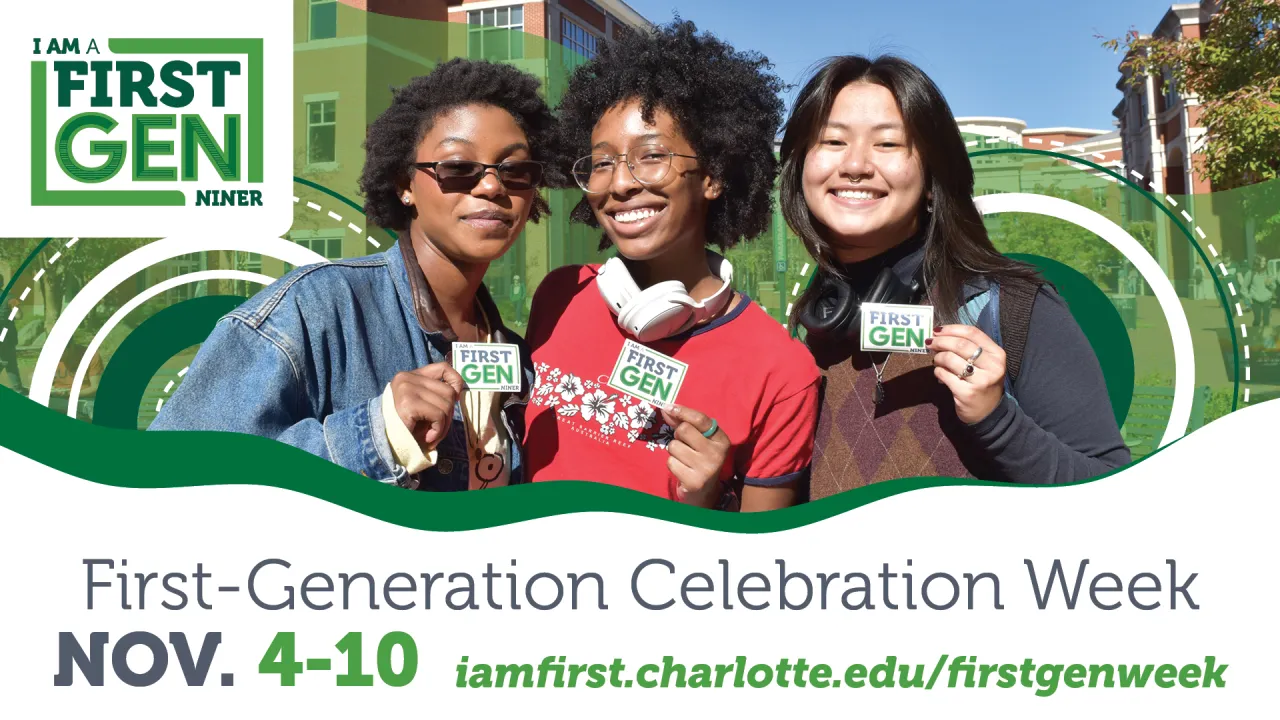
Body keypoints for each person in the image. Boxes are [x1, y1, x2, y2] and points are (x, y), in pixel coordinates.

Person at [152, 59, 556, 490]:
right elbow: (171, 475)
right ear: (405, 185)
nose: (493, 187)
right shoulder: (314, 309)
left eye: (514, 170)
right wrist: (375, 435)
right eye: (458, 167)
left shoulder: (517, 354)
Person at [780, 55, 1129, 493]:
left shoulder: (1014, 306)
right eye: (832, 141)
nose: (855, 165)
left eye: (888, 144)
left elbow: (1112, 491)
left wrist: (996, 419)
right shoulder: (813, 323)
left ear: (931, 178)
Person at [523, 21, 821, 511]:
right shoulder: (560, 295)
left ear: (713, 176)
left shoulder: (783, 372)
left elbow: (763, 566)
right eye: (601, 163)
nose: (620, 184)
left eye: (652, 156)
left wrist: (707, 500)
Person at [0, 274, 24, 394]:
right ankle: (18, 389)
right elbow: (19, 315)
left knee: (9, 362)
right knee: (7, 361)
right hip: (6, 335)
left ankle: (18, 388)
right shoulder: (10, 298)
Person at [1243, 255, 1273, 330]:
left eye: (1265, 261)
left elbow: (1274, 286)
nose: (1264, 263)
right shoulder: (1250, 273)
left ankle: (1265, 338)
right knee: (1257, 320)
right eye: (1262, 261)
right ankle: (1255, 334)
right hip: (1255, 300)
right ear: (1257, 262)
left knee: (1266, 321)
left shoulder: (1268, 272)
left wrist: (1270, 284)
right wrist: (1249, 297)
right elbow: (1243, 288)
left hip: (1267, 300)